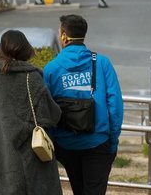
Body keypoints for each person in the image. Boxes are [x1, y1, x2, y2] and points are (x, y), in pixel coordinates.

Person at [0, 30, 62, 195]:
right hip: (28, 160)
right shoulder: (31, 78)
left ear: (1, 50)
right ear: (26, 49)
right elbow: (51, 115)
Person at [43, 14, 123, 195]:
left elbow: (46, 109)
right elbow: (115, 105)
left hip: (66, 143)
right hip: (98, 142)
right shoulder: (102, 63)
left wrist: (56, 139)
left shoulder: (51, 68)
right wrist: (113, 140)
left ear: (64, 36)